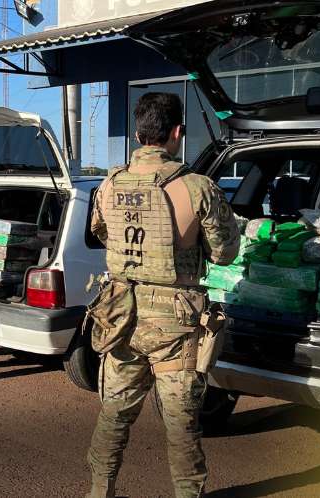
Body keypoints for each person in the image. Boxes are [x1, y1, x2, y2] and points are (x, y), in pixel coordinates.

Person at [85, 93, 240, 498]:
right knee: (181, 425)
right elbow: (225, 253)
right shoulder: (198, 187)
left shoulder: (109, 183)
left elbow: (102, 233)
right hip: (176, 322)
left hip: (120, 315)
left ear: (138, 134)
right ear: (178, 132)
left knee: (114, 414)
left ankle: (99, 491)